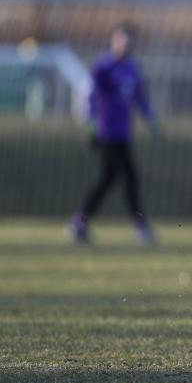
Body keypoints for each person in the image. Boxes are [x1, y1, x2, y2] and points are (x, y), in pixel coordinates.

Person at [70, 22, 158, 246]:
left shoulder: (133, 68)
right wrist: (90, 124)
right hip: (106, 132)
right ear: (114, 40)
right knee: (130, 177)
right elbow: (89, 95)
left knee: (107, 179)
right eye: (121, 39)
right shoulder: (103, 67)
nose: (125, 44)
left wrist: (151, 119)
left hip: (123, 133)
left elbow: (140, 97)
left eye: (129, 40)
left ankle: (80, 221)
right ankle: (141, 227)